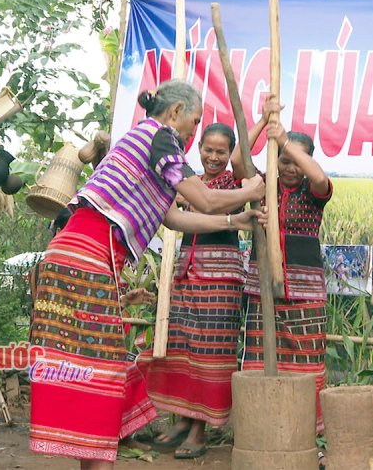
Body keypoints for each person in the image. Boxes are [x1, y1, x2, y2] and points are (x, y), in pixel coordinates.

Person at [28, 79, 266, 470]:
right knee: (100, 368)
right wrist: (251, 189)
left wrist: (232, 219)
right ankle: (98, 459)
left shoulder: (144, 142)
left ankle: (97, 459)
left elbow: (172, 217)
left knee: (99, 366)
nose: (194, 130)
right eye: (194, 120)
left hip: (73, 255)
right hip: (85, 257)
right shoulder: (160, 137)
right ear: (175, 113)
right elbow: (202, 197)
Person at [137, 107, 275, 458]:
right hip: (188, 272)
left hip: (221, 277)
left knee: (210, 351)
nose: (214, 157)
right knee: (182, 345)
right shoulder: (192, 182)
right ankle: (182, 420)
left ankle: (200, 429)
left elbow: (243, 158)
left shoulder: (235, 183)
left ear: (229, 154)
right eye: (208, 150)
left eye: (221, 151)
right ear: (197, 148)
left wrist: (259, 121)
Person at [232, 116, 333, 433]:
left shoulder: (312, 193)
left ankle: (304, 430)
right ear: (274, 160)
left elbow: (319, 177)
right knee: (262, 358)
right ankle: (263, 427)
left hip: (305, 291)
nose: (290, 168)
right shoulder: (261, 186)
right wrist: (264, 121)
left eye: (297, 161)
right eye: (284, 160)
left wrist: (285, 141)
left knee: (305, 358)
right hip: (262, 287)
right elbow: (237, 161)